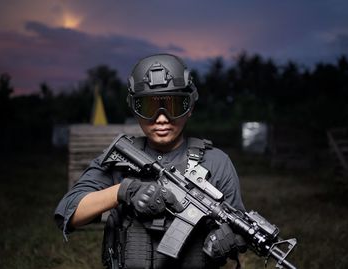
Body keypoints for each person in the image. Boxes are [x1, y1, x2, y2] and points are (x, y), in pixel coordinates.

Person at [54, 53, 247, 269]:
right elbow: (69, 213)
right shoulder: (122, 157)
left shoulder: (216, 162)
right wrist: (124, 191)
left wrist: (231, 238)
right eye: (148, 108)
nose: (161, 118)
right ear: (135, 110)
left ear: (190, 107)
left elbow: (239, 230)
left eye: (173, 106)